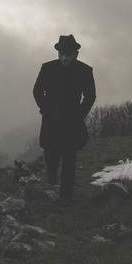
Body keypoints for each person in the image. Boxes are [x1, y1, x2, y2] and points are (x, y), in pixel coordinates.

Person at [32, 34, 96, 204]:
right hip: (51, 119)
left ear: (76, 54)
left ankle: (66, 196)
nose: (64, 58)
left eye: (68, 54)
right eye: (62, 54)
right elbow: (37, 91)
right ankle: (52, 181)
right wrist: (46, 109)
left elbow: (90, 96)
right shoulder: (47, 68)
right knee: (51, 155)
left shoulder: (85, 71)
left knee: (69, 158)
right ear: (58, 53)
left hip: (71, 122)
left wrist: (79, 114)